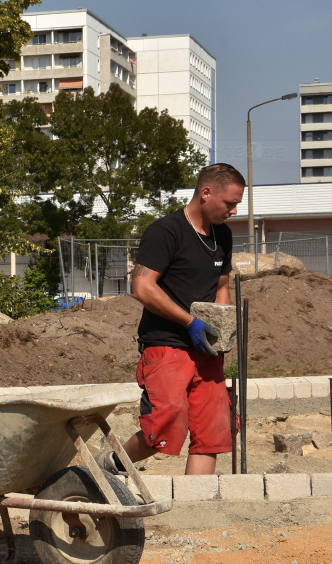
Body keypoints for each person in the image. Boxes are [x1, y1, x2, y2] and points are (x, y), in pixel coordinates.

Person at [99, 163, 245, 478]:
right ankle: (110, 465)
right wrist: (190, 322)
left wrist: (221, 334)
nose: (234, 211)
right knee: (162, 430)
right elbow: (142, 287)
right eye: (229, 203)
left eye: (237, 205)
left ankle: (195, 510)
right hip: (166, 345)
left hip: (205, 351)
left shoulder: (223, 236)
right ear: (206, 193)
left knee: (213, 433)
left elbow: (221, 287)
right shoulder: (166, 231)